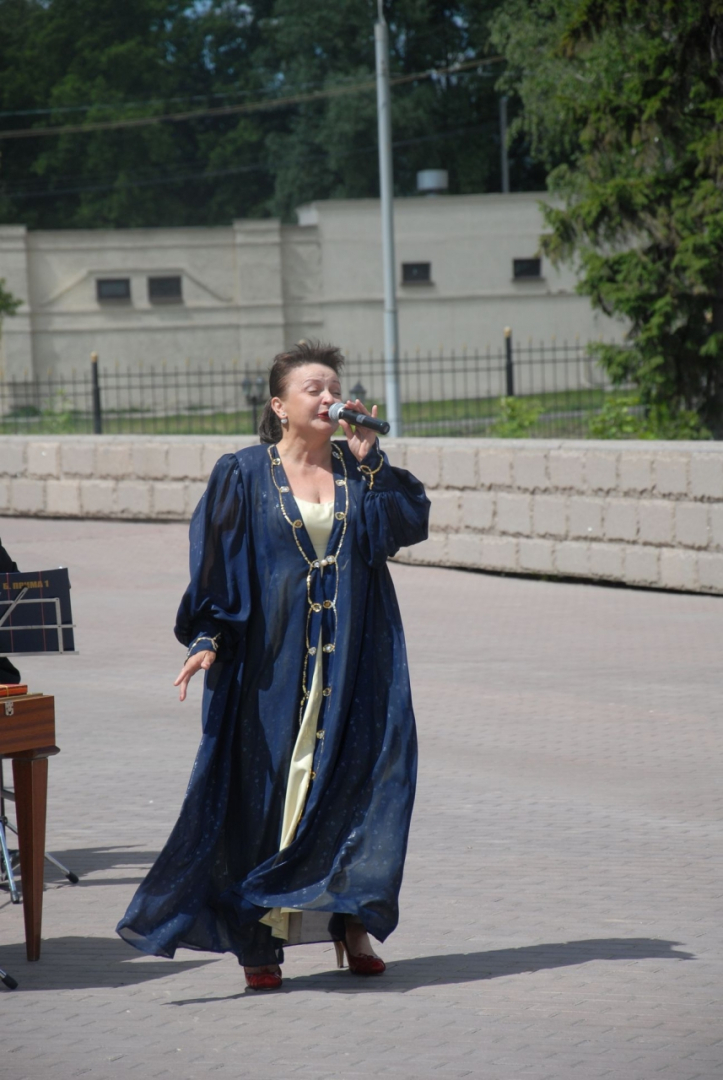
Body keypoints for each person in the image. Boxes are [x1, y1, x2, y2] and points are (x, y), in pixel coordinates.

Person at [116, 341, 430, 990]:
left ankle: (351, 923)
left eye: (334, 388)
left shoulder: (357, 469)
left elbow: (402, 527)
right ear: (279, 405)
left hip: (356, 664)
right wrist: (207, 635)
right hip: (270, 667)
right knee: (262, 796)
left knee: (357, 787)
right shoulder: (242, 473)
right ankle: (255, 940)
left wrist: (373, 462)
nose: (328, 398)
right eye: (314, 388)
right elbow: (217, 563)